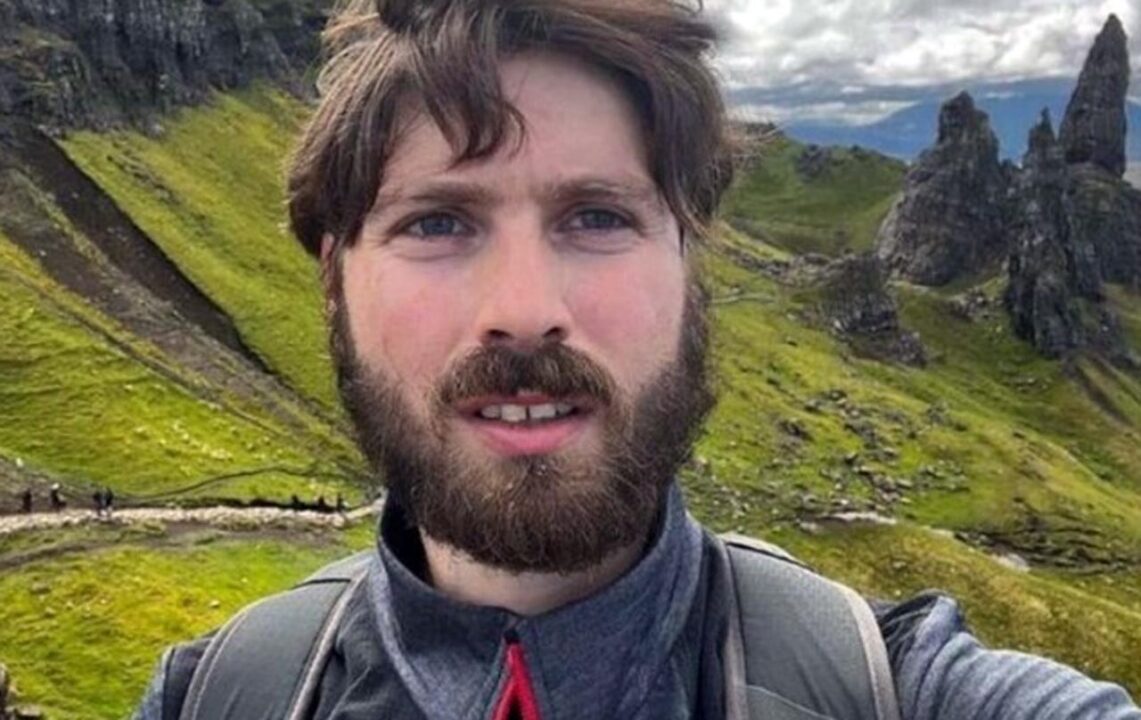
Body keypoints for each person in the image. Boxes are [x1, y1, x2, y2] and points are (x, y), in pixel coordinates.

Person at [133, 1, 1141, 718]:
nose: (524, 311)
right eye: (437, 222)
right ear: (333, 278)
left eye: (597, 217)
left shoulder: (889, 687)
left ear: (689, 263)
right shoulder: (212, 696)